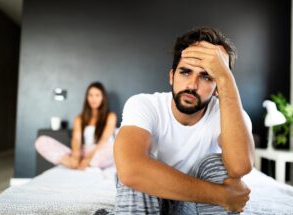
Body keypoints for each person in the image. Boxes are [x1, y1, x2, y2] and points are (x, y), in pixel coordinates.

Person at [97, 27, 254, 215]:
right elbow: (131, 170)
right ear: (172, 76)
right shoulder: (144, 104)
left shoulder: (229, 113)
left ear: (217, 87)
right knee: (137, 171)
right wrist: (222, 195)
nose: (192, 85)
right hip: (151, 196)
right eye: (185, 72)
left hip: (196, 205)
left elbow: (240, 167)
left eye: (206, 76)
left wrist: (226, 79)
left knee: (217, 166)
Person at [35, 82, 117, 170]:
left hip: (101, 150)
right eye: (90, 95)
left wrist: (89, 158)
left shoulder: (111, 116)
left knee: (114, 148)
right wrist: (76, 156)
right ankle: (73, 164)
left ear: (103, 97)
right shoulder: (79, 118)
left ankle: (88, 164)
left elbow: (103, 140)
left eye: (97, 95)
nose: (94, 99)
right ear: (87, 97)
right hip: (83, 151)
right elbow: (76, 140)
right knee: (41, 141)